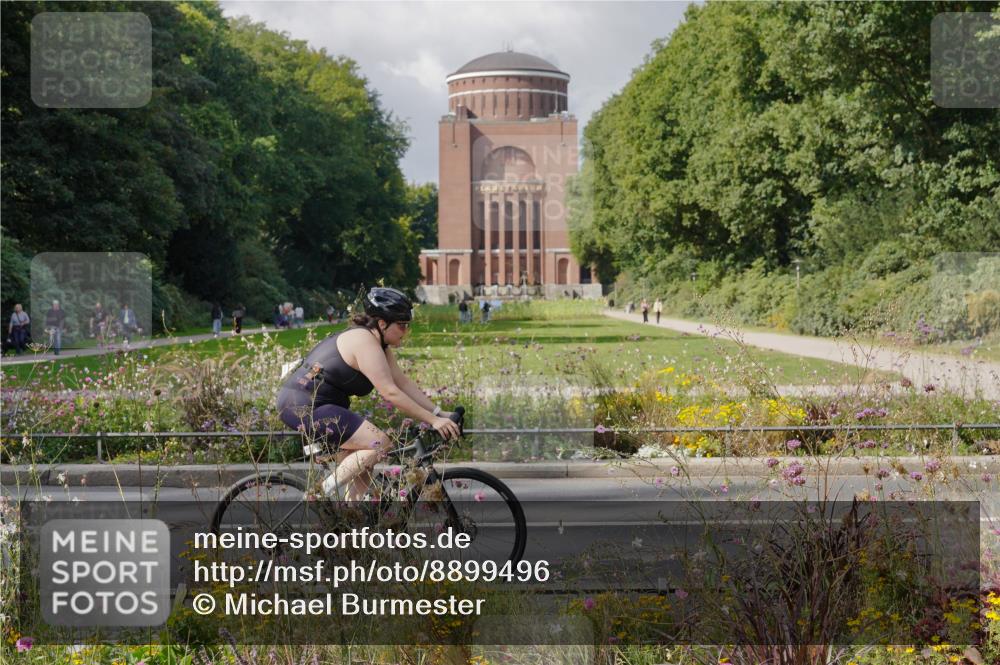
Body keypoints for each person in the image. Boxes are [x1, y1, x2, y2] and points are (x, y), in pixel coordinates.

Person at [277, 287, 461, 500]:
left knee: (363, 464)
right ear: (382, 323)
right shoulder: (364, 341)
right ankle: (317, 494)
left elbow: (402, 383)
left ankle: (351, 524)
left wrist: (439, 413)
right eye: (402, 325)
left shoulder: (379, 344)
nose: (406, 331)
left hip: (319, 406)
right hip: (303, 405)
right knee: (379, 443)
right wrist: (432, 420)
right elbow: (390, 392)